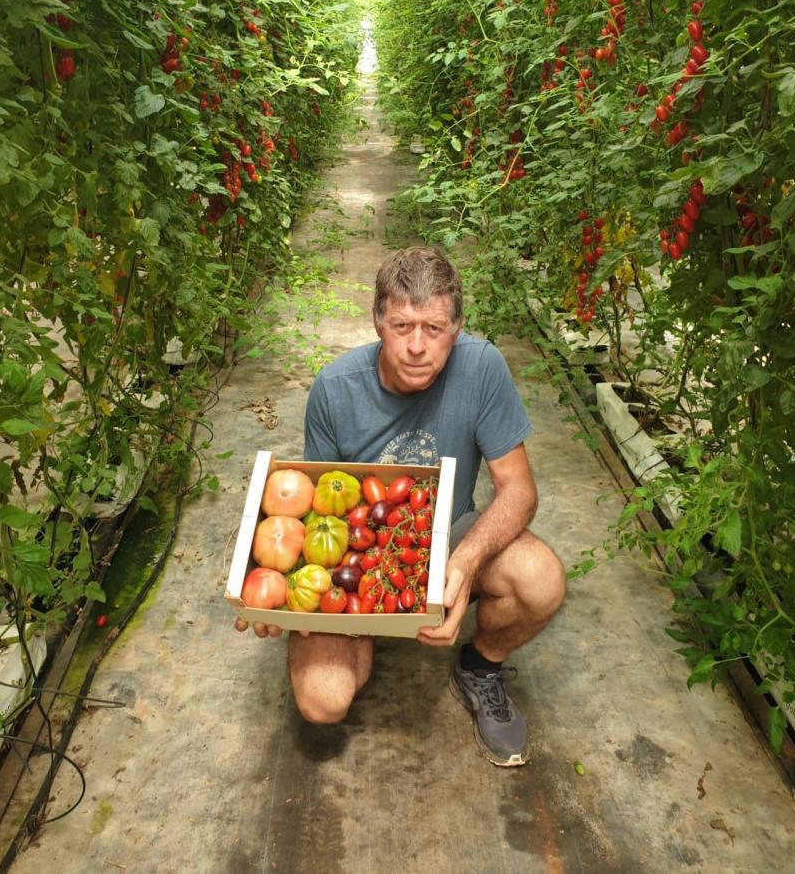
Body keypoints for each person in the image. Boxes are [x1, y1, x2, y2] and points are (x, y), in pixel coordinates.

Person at [236, 246, 566, 767]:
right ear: (377, 323)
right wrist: (278, 596)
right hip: (357, 556)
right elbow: (316, 510)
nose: (416, 346)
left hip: (448, 530)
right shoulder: (334, 389)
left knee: (541, 579)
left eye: (433, 329)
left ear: (457, 328)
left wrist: (464, 559)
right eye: (401, 326)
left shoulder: (482, 369)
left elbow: (519, 490)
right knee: (323, 701)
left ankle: (480, 666)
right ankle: (363, 633)